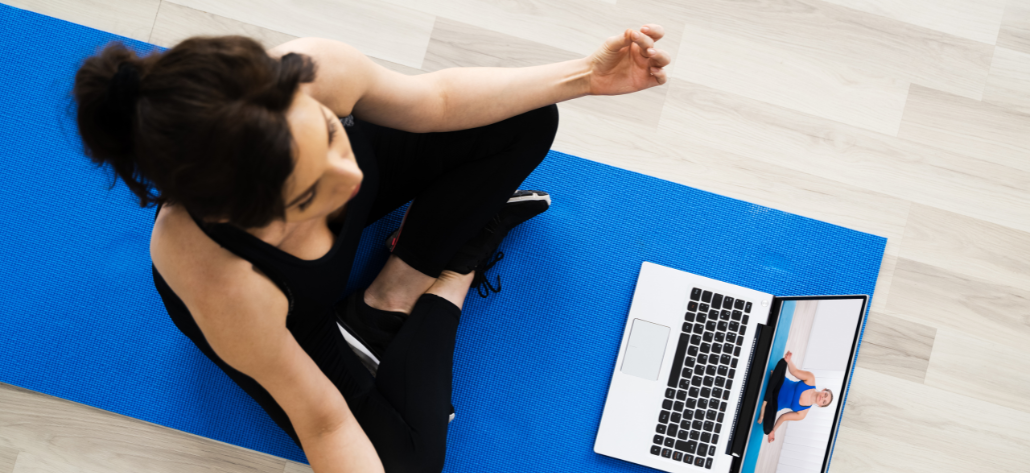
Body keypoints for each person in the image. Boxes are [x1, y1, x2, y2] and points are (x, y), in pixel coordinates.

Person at [71, 25, 670, 473]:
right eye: (310, 191)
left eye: (332, 133)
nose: (350, 176)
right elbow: (324, 423)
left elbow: (437, 101)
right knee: (409, 462)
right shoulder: (221, 281)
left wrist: (585, 76)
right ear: (246, 215)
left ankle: (392, 295)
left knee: (526, 119)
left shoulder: (312, 69)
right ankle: (456, 267)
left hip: (302, 246)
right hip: (292, 317)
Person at [757, 350, 833, 443]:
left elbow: (784, 417)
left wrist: (773, 431)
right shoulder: (810, 379)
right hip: (779, 383)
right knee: (783, 363)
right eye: (825, 394)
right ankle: (767, 398)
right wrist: (789, 360)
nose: (823, 398)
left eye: (824, 401)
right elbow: (794, 371)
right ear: (823, 390)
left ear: (820, 405)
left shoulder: (803, 414)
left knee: (767, 430)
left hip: (773, 403)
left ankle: (770, 389)